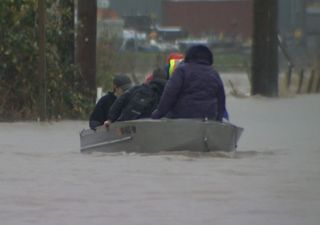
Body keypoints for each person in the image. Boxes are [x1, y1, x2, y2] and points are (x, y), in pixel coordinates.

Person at [151, 44, 227, 121]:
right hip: (208, 116)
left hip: (182, 116)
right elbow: (221, 97)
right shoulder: (214, 73)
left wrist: (159, 113)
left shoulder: (181, 70)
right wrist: (219, 118)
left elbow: (170, 93)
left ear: (188, 56)